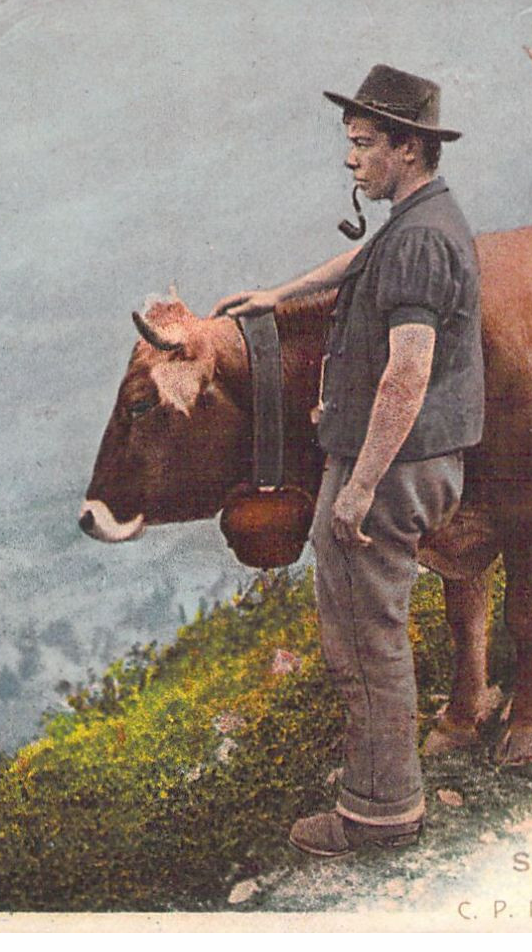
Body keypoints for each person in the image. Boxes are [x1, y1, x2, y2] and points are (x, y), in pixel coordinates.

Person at [211, 64, 482, 858]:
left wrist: (359, 486)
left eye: (363, 144)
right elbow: (361, 265)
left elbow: (408, 369)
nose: (350, 159)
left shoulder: (420, 240)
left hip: (391, 473)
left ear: (406, 147)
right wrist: (279, 295)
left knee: (364, 639)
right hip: (407, 458)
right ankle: (381, 784)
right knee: (369, 632)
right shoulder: (419, 217)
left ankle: (379, 813)